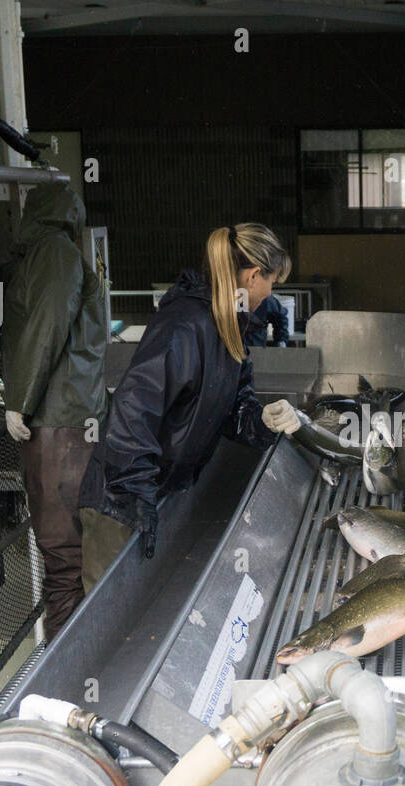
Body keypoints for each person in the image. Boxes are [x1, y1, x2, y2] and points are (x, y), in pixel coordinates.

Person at [76, 223, 291, 590]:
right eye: (273, 282)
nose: (271, 293)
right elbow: (132, 410)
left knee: (142, 609)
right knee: (110, 617)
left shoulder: (230, 327)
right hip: (120, 503)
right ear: (254, 276)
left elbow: (235, 408)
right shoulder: (184, 326)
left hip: (157, 492)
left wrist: (262, 420)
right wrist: (136, 497)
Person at [0, 183, 108, 639]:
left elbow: (45, 326)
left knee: (61, 547)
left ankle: (65, 660)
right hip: (72, 414)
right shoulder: (59, 253)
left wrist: (18, 401)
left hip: (55, 419)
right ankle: (76, 648)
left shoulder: (51, 253)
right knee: (72, 545)